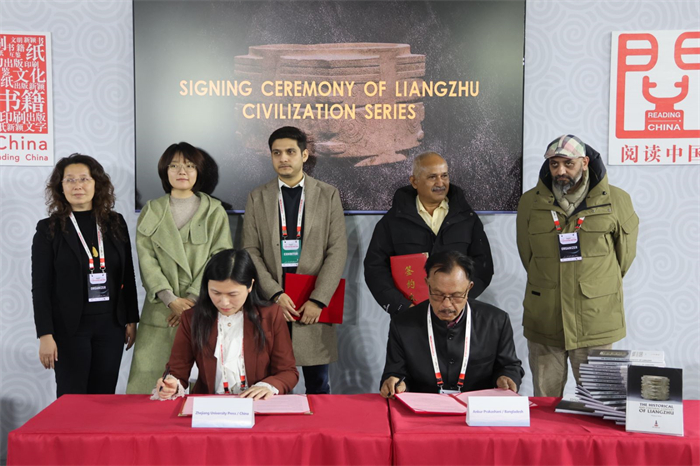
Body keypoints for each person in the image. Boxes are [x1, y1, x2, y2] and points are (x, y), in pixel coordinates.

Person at [516, 135, 639, 397]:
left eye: (568, 164)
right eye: (554, 164)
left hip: (595, 319)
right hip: (545, 319)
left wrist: (593, 285)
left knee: (600, 402)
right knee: (545, 402)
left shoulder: (616, 200)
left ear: (584, 163)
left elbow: (624, 258)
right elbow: (527, 255)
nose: (560, 171)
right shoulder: (530, 203)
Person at [242, 126, 347, 394]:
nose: (283, 158)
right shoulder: (257, 196)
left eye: (290, 152)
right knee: (269, 383)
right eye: (277, 153)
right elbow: (250, 249)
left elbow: (336, 250)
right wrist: (274, 293)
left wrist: (318, 300)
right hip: (272, 301)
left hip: (311, 302)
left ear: (304, 155)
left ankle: (319, 423)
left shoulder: (328, 194)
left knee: (318, 384)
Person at [127, 142, 232, 393]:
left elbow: (219, 258)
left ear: (198, 171)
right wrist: (171, 300)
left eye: (189, 166)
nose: (181, 171)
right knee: (149, 386)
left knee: (203, 386)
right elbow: (146, 259)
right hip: (161, 311)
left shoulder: (214, 211)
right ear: (165, 171)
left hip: (203, 307)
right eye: (174, 166)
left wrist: (191, 301)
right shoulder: (152, 209)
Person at [31, 154, 139, 397]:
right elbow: (41, 287)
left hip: (111, 326)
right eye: (69, 180)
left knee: (104, 397)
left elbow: (127, 275)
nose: (77, 185)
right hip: (70, 329)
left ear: (96, 184)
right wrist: (45, 335)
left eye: (84, 179)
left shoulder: (115, 222)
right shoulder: (49, 228)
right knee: (72, 398)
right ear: (60, 187)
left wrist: (131, 319)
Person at [155, 249, 298, 399]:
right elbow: (177, 370)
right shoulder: (192, 318)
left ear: (250, 285)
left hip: (257, 403)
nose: (224, 302)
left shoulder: (270, 315)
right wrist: (171, 384)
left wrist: (267, 386)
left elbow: (288, 371)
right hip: (209, 405)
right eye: (216, 293)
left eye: (232, 294)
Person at [364, 152, 493, 316]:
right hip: (410, 315)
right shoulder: (392, 221)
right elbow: (375, 269)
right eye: (432, 177)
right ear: (414, 182)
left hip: (456, 313)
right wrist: (402, 307)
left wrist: (458, 300)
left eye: (444, 176)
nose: (440, 183)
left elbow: (483, 266)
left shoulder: (467, 219)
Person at [380, 250, 523, 398]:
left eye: (456, 295)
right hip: (424, 406)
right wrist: (397, 383)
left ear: (469, 288)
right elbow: (396, 372)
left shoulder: (496, 321)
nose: (446, 305)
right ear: (427, 284)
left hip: (476, 406)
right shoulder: (402, 324)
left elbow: (509, 366)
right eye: (438, 294)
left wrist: (506, 377)